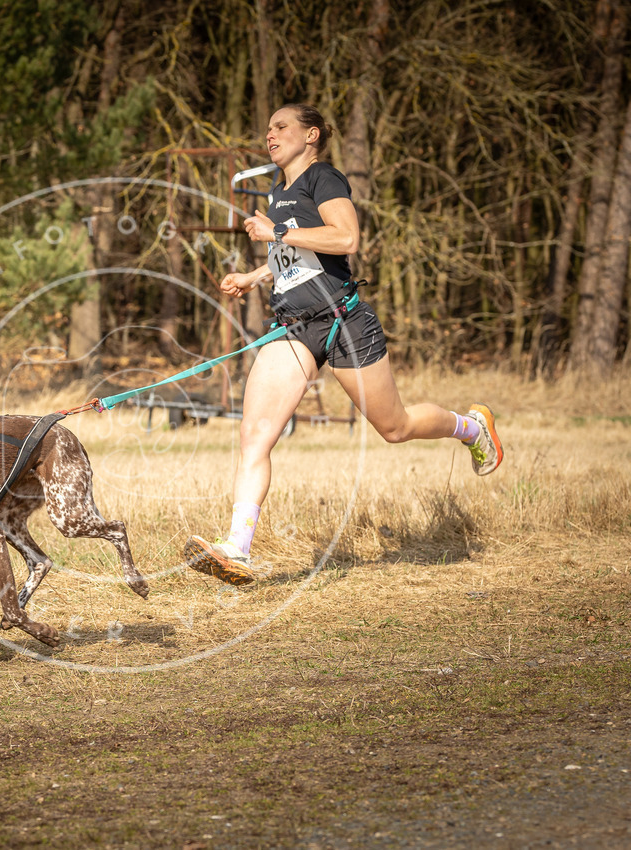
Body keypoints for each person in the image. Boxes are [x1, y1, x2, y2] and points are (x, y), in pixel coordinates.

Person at [184, 104, 503, 586]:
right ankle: (237, 549)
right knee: (255, 433)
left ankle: (471, 427)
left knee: (394, 428)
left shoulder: (323, 178)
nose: (270, 135)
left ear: (310, 135)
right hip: (294, 327)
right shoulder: (280, 192)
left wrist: (278, 231)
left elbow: (346, 238)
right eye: (268, 128)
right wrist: (255, 275)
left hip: (343, 321)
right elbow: (297, 255)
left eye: (281, 127)